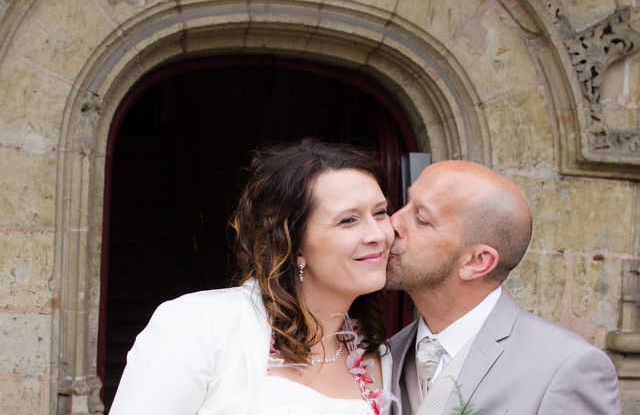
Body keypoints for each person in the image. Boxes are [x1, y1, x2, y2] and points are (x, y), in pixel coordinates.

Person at [109, 138, 395, 415]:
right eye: (349, 220)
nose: (377, 235)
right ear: (292, 244)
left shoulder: (382, 357)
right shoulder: (199, 324)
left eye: (380, 213)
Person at [385, 160, 620, 415]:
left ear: (477, 261)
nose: (392, 223)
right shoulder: (386, 355)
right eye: (405, 204)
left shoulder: (565, 367)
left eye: (421, 219)